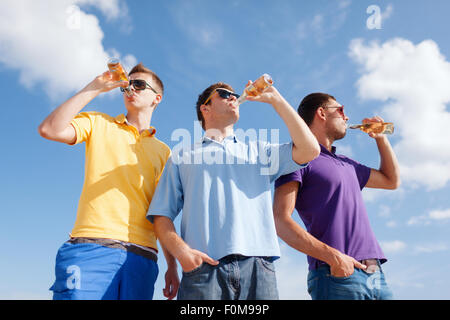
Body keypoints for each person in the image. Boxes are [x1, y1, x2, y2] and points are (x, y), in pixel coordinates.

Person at [147, 81, 320, 300]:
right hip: (203, 269)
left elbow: (310, 149)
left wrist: (276, 99)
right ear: (205, 108)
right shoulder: (182, 155)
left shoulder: (259, 150)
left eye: (234, 94)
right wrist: (183, 253)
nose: (232, 97)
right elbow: (162, 215)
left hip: (259, 268)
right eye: (223, 94)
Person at [38, 62, 179, 300]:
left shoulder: (164, 152)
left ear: (157, 98)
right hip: (91, 249)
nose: (130, 89)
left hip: (142, 259)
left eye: (139, 84)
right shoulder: (97, 122)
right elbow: (49, 129)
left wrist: (172, 266)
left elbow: (161, 212)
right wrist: (95, 87)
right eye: (127, 85)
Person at [273, 92, 400, 300]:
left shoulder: (348, 163)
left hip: (375, 273)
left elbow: (391, 181)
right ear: (321, 113)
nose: (347, 117)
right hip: (336, 274)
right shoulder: (296, 159)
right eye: (340, 110)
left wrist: (381, 139)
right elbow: (281, 220)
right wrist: (333, 258)